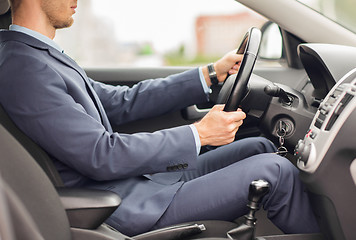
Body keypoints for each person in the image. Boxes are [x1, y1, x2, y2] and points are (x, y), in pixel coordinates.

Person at [0, 0, 320, 237]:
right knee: (276, 170)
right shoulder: (24, 68)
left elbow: (120, 101)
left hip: (137, 183)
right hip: (118, 204)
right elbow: (100, 155)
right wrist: (199, 134)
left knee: (259, 147)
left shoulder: (40, 55)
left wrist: (208, 74)